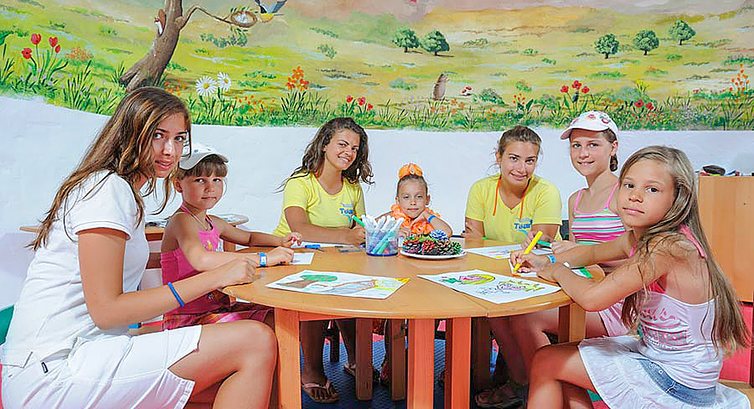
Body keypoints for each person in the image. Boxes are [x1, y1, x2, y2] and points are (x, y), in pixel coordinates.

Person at [1, 87, 277, 408]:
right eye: (158, 135)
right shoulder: (107, 190)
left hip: (83, 353)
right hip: (55, 369)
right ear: (129, 133)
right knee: (254, 340)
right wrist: (217, 276)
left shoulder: (121, 192)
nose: (170, 150)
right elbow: (107, 311)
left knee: (249, 375)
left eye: (179, 138)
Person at [518, 146, 750, 409]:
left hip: (680, 382)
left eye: (652, 189)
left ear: (678, 198)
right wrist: (545, 261)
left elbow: (593, 299)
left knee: (546, 360)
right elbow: (589, 252)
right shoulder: (638, 237)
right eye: (629, 185)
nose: (635, 196)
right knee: (563, 363)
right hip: (661, 358)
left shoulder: (668, 247)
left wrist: (557, 271)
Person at [475, 111, 627, 408]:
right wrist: (548, 254)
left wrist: (580, 255)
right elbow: (579, 257)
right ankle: (524, 383)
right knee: (502, 309)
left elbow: (635, 257)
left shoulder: (624, 193)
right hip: (583, 290)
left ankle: (537, 387)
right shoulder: (576, 199)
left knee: (526, 316)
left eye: (593, 145)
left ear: (613, 147)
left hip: (614, 302)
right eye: (576, 145)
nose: (583, 153)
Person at [273, 117, 372, 403]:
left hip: (335, 260)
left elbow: (360, 228)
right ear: (325, 144)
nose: (348, 152)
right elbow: (299, 229)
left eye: (354, 148)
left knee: (356, 291)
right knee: (315, 297)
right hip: (293, 259)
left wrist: (366, 233)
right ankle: (312, 371)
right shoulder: (301, 183)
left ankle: (357, 360)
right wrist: (346, 236)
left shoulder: (353, 188)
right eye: (342, 144)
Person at [463, 125, 563, 403]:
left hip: (538, 275)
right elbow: (473, 241)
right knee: (495, 311)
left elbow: (541, 242)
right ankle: (520, 381)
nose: (521, 168)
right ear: (499, 157)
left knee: (509, 313)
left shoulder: (546, 191)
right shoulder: (481, 189)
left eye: (530, 160)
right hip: (497, 274)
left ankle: (528, 384)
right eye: (514, 158)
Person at [160, 143, 300, 330]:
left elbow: (249, 238)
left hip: (217, 310)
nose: (210, 187)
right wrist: (264, 258)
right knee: (275, 322)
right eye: (200, 180)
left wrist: (280, 240)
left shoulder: (213, 222)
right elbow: (202, 260)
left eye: (217, 180)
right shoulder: (181, 220)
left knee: (284, 313)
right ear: (178, 184)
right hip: (188, 320)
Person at [380, 162, 452, 237]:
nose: (413, 202)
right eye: (406, 197)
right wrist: (392, 233)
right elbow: (371, 230)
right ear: (398, 201)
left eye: (419, 197)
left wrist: (426, 215)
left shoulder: (429, 219)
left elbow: (447, 233)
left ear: (427, 199)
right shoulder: (391, 218)